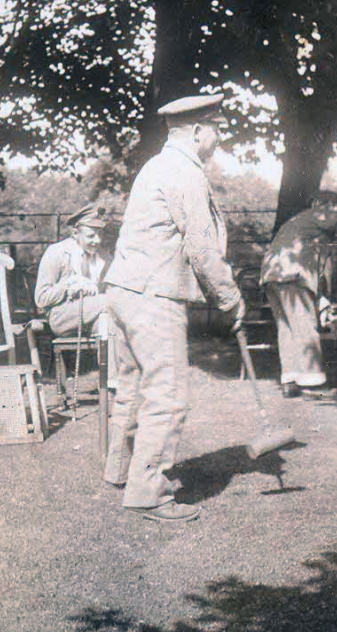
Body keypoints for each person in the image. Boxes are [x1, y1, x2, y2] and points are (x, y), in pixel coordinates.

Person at [103, 93, 245, 523]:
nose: (218, 139)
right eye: (216, 129)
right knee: (166, 395)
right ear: (198, 131)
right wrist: (230, 299)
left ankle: (120, 469)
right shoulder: (185, 172)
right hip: (153, 295)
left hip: (122, 289)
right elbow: (202, 249)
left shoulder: (155, 166)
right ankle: (148, 492)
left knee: (130, 388)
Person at [260, 191, 337, 398]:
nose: (334, 210)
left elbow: (320, 268)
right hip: (290, 275)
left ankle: (290, 379)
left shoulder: (301, 224)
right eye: (332, 205)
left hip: (271, 276)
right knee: (304, 326)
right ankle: (312, 383)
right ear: (321, 204)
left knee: (287, 329)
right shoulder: (316, 216)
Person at [34, 204, 110, 336]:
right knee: (110, 301)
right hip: (61, 316)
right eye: (91, 236)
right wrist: (69, 286)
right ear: (75, 233)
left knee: (110, 325)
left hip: (93, 313)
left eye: (100, 235)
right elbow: (41, 299)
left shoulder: (104, 257)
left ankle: (104, 356)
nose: (97, 241)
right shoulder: (57, 252)